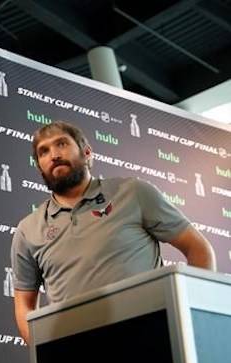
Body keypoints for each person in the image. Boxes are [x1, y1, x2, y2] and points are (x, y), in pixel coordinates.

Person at [11, 121, 216, 343]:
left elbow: (198, 249)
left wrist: (196, 317)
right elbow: (24, 303)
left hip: (151, 337)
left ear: (87, 152)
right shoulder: (27, 229)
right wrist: (43, 352)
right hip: (75, 350)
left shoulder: (133, 192)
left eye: (61, 144)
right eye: (44, 151)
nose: (54, 155)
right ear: (39, 166)